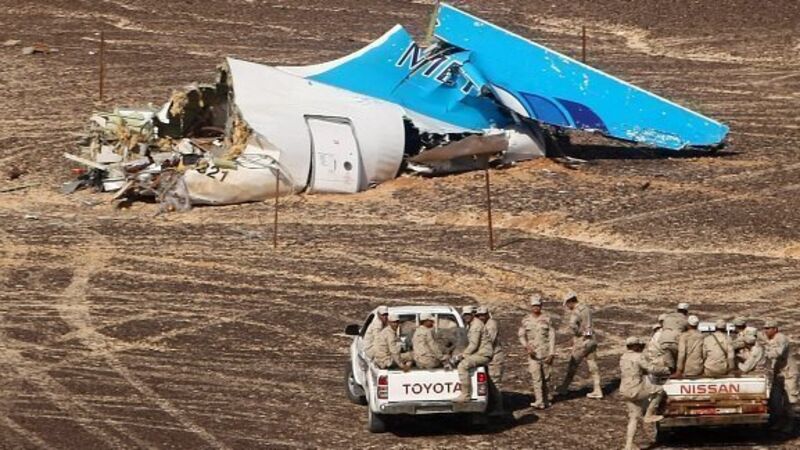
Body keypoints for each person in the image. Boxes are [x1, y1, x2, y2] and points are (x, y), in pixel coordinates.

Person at [620, 336, 671, 450]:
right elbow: (651, 369)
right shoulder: (638, 357)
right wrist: (666, 370)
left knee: (633, 417)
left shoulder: (623, 357)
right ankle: (649, 414)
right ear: (635, 346)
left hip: (624, 389)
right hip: (635, 389)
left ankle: (629, 445)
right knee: (659, 390)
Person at [557, 291, 603, 399]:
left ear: (570, 301)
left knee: (573, 365)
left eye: (567, 304)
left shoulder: (576, 312)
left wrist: (578, 333)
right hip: (592, 340)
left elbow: (572, 325)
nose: (567, 307)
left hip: (582, 342)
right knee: (593, 365)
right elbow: (589, 326)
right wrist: (587, 334)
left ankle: (564, 387)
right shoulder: (586, 308)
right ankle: (598, 389)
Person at [518, 294, 556, 409]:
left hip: (545, 353)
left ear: (541, 306)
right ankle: (539, 401)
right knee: (536, 378)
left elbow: (552, 336)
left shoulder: (547, 319)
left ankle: (546, 399)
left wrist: (552, 352)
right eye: (534, 306)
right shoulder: (526, 320)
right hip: (533, 354)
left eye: (538, 306)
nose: (536, 308)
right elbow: (521, 335)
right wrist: (527, 347)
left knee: (546, 378)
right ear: (531, 306)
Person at [763, 320, 799, 432]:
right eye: (765, 328)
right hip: (778, 374)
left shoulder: (781, 338)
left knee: (790, 400)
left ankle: (791, 424)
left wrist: (763, 355)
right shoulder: (769, 340)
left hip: (788, 373)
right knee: (775, 400)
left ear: (775, 329)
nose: (766, 331)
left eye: (769, 328)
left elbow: (778, 353)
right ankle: (779, 422)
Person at [453, 306, 493, 402]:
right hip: (477, 353)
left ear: (473, 314)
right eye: (465, 315)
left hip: (482, 354)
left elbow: (473, 345)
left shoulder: (476, 326)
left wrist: (462, 355)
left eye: (468, 314)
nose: (466, 317)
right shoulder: (470, 325)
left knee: (463, 365)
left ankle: (465, 395)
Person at [476, 306, 505, 415]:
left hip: (494, 358)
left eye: (483, 315)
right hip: (487, 357)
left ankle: (498, 408)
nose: (481, 317)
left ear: (487, 314)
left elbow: (489, 342)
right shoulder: (482, 325)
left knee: (495, 384)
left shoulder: (491, 325)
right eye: (479, 315)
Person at [660, 303, 689, 372]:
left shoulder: (668, 317)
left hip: (664, 340)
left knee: (669, 364)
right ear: (686, 311)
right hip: (676, 341)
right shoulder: (685, 319)